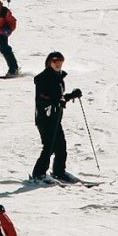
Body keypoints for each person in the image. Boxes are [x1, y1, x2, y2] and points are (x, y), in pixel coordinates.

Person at [29, 50, 83, 182]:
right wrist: (57, 101)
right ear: (49, 62)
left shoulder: (58, 77)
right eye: (55, 61)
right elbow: (43, 97)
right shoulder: (43, 78)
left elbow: (59, 98)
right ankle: (38, 174)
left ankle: (59, 172)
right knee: (49, 146)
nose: (58, 64)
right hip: (44, 118)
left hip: (55, 117)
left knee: (61, 146)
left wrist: (71, 95)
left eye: (60, 61)